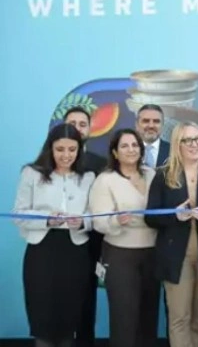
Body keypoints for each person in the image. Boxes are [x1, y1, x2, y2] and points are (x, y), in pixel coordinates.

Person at [145, 121, 198, 347]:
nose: (194, 144)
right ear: (177, 144)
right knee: (179, 317)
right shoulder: (163, 175)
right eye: (187, 140)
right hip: (176, 256)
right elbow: (150, 217)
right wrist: (175, 215)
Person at [13, 123, 95, 347]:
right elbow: (18, 214)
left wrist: (83, 221)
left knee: (69, 317)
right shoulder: (31, 173)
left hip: (75, 252)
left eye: (72, 149)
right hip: (42, 251)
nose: (66, 155)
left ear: (79, 150)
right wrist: (47, 219)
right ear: (50, 148)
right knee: (42, 316)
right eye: (60, 149)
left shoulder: (88, 176)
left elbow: (94, 215)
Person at [88, 128, 159, 347]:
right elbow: (98, 222)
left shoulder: (152, 175)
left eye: (135, 145)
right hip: (120, 255)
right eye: (124, 146)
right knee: (124, 317)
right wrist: (116, 220)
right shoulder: (105, 180)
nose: (131, 150)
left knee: (149, 317)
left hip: (153, 254)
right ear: (115, 152)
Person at [64, 106, 105, 347]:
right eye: (73, 124)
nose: (78, 129)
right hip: (56, 245)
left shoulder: (101, 163)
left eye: (82, 124)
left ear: (90, 129)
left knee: (86, 304)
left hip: (90, 244)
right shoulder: (47, 163)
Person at [135, 103, 170, 168]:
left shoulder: (174, 151)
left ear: (162, 125)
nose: (151, 126)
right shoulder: (127, 150)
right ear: (137, 125)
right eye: (146, 121)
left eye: (156, 121)